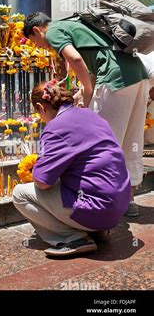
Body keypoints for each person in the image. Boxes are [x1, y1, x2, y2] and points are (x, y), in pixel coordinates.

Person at [23, 12, 149, 217]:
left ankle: (104, 201)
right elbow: (95, 62)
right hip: (138, 76)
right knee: (130, 141)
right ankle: (129, 200)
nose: (40, 47)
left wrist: (88, 91)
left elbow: (75, 58)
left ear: (37, 30)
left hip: (115, 79)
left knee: (105, 141)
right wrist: (86, 87)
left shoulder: (54, 31)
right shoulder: (75, 23)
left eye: (36, 42)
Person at [12, 80, 131, 258]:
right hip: (120, 204)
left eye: (38, 113)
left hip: (98, 208)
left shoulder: (55, 127)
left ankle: (71, 238)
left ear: (40, 107)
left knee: (19, 193)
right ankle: (96, 231)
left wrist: (37, 164)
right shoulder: (91, 115)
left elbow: (43, 181)